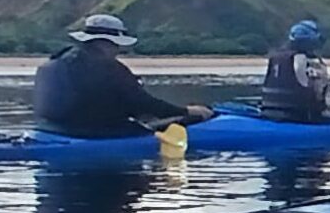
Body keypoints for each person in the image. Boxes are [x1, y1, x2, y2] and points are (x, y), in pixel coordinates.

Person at [33, 12, 215, 139]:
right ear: (106, 43)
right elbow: (144, 103)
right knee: (190, 119)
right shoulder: (109, 68)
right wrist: (187, 112)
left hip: (51, 129)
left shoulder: (58, 61)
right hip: (94, 134)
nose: (118, 49)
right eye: (116, 45)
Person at [258, 19, 330, 123]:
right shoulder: (301, 59)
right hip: (298, 115)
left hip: (269, 111)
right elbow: (309, 87)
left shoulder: (275, 57)